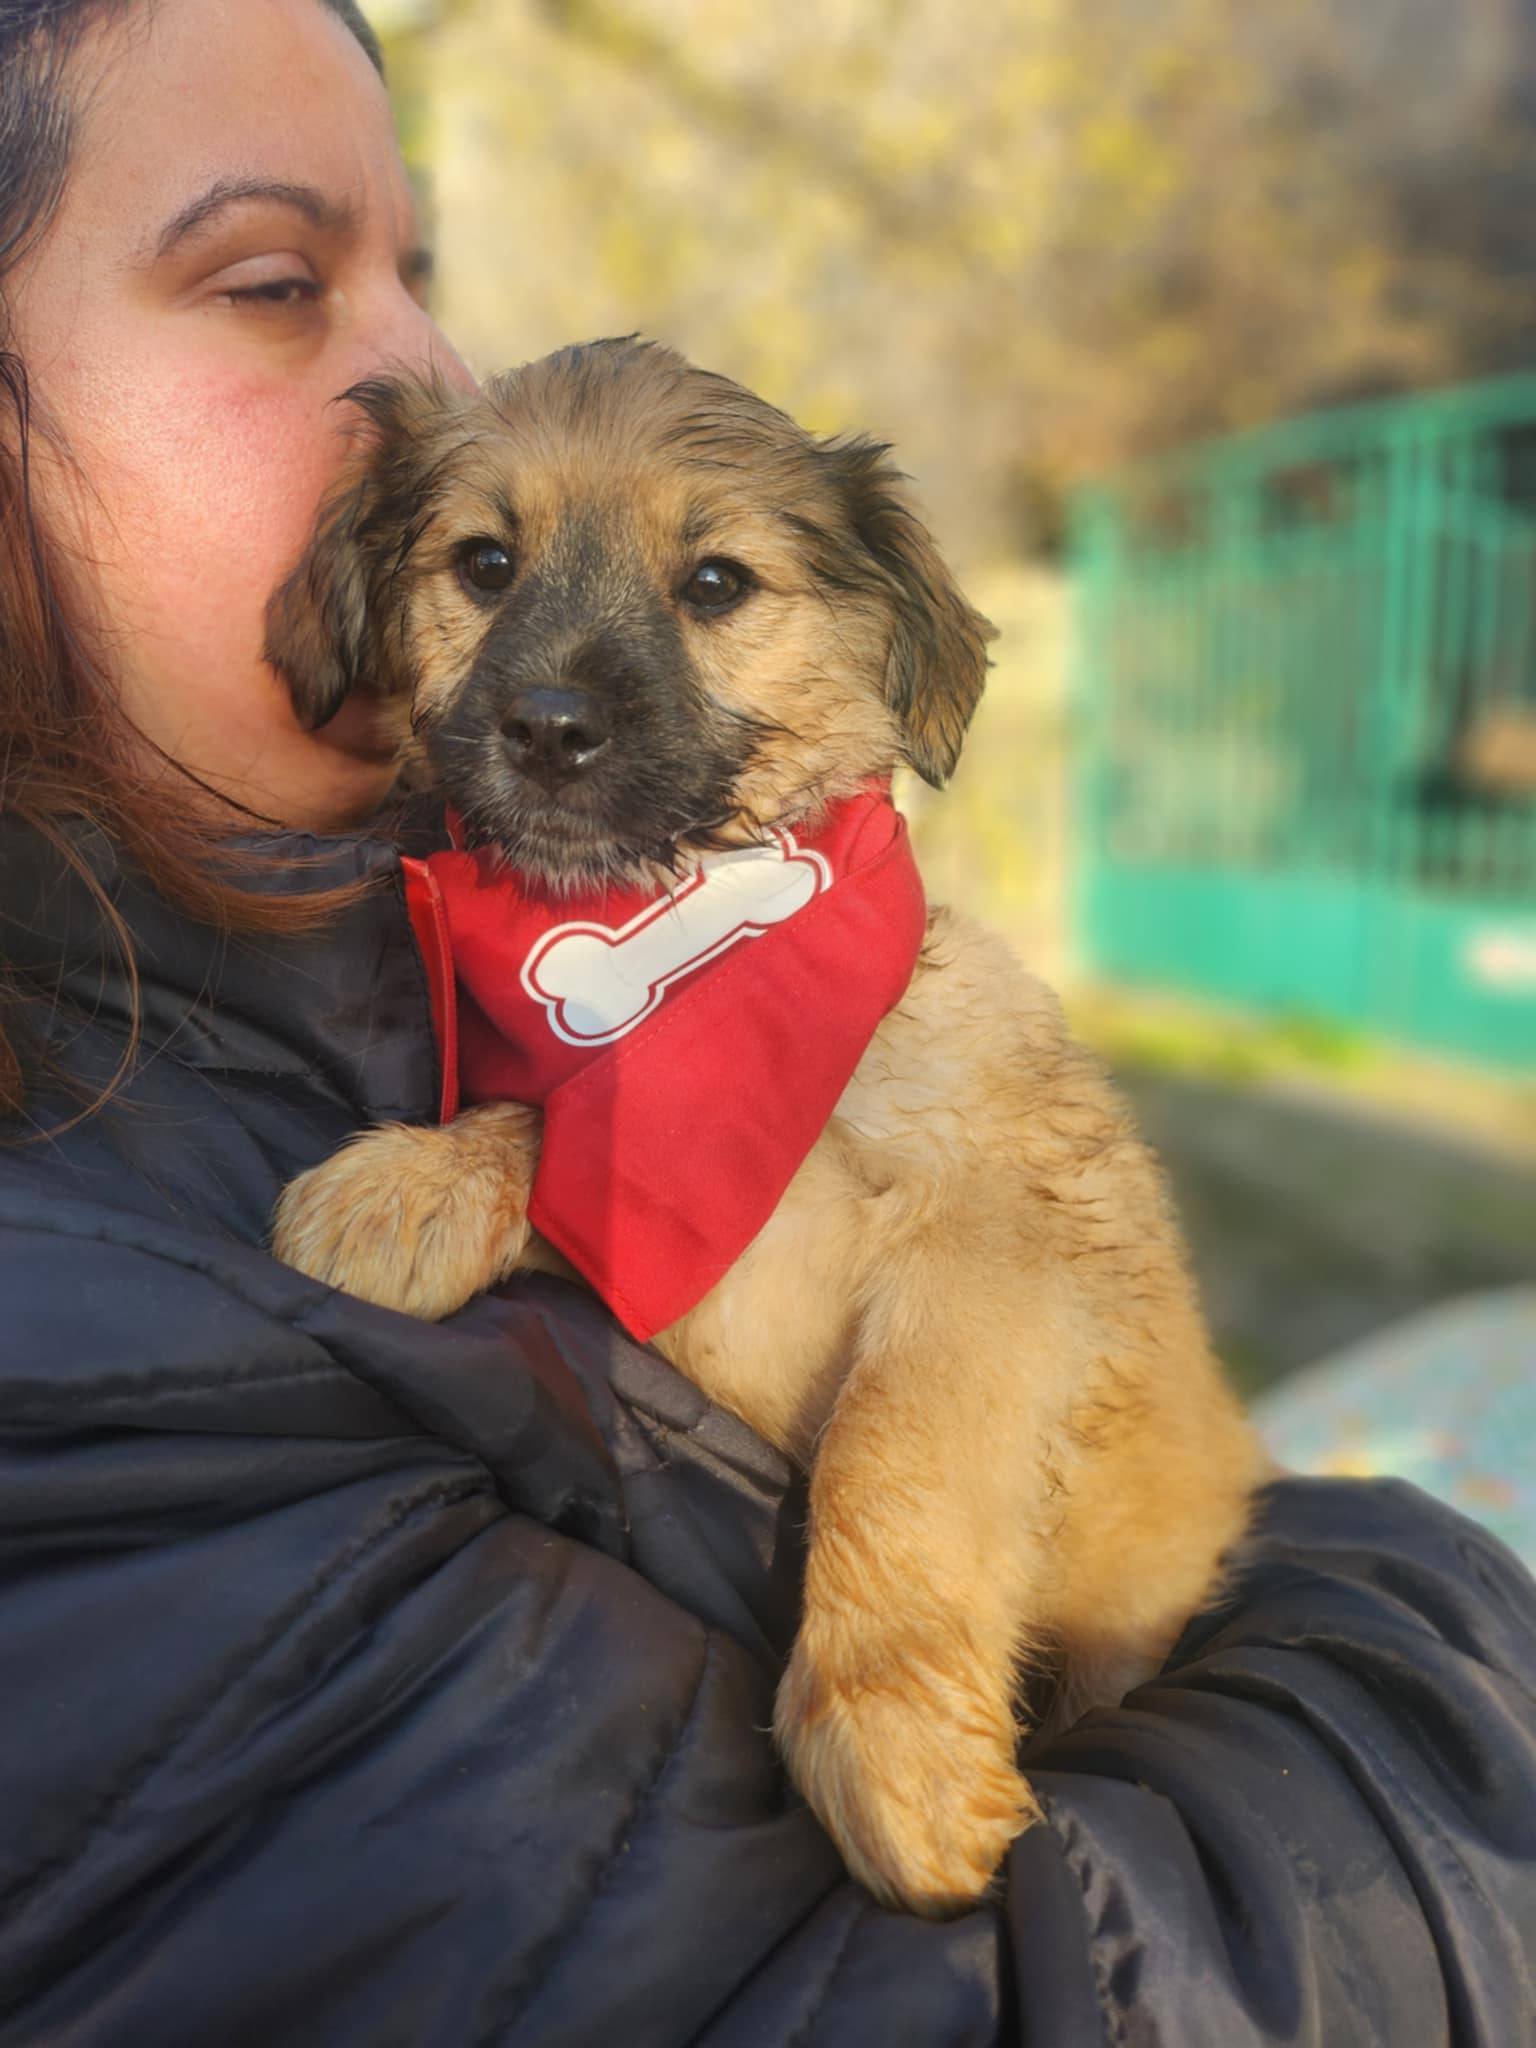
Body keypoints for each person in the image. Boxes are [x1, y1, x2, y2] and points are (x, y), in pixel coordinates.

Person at [1, 2, 1533, 2041]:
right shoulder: (80, 1356)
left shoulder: (483, 957)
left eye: (712, 585)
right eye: (276, 279)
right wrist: (1433, 1630)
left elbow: (995, 1260)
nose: (419, 369)